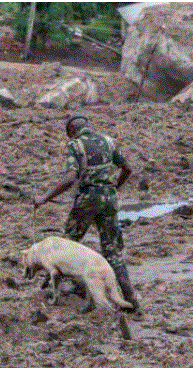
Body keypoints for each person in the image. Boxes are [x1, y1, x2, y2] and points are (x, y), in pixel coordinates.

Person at [33, 113, 140, 312]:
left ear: (72, 131)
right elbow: (127, 169)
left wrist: (44, 198)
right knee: (113, 252)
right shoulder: (108, 142)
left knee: (68, 245)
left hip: (87, 200)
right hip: (109, 200)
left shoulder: (75, 145)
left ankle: (77, 288)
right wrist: (113, 188)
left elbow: (70, 178)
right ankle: (130, 298)